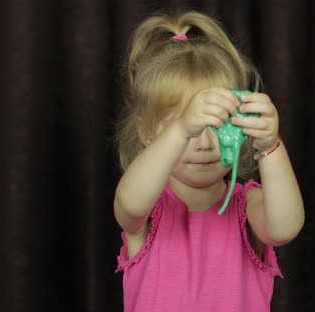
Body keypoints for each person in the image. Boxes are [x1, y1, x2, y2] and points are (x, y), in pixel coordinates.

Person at [113, 9, 305, 312]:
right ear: (147, 133)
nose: (203, 143)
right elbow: (128, 204)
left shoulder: (249, 206)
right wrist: (180, 132)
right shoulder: (148, 209)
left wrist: (271, 146)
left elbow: (284, 228)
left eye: (218, 125)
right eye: (189, 128)